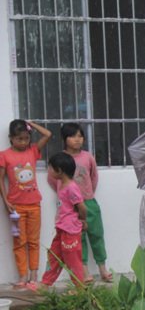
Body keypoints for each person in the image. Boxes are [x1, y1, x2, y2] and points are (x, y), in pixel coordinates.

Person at [47, 123, 113, 283]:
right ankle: (83, 271)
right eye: (73, 136)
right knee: (78, 239)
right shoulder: (60, 159)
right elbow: (52, 179)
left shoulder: (88, 157)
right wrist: (67, 197)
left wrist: (86, 195)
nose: (77, 139)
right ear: (64, 139)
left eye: (80, 136)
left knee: (97, 234)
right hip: (70, 208)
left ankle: (103, 268)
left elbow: (94, 177)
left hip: (89, 202)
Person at [0, 120, 52, 289]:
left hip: (34, 204)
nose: (23, 142)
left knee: (33, 241)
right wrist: (6, 201)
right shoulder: (4, 155)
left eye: (26, 138)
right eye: (19, 139)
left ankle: (33, 275)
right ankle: (22, 275)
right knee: (19, 241)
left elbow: (48, 134)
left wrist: (31, 124)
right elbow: (0, 179)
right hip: (15, 207)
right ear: (11, 138)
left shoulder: (33, 151)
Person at [40, 152, 87, 288]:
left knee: (73, 260)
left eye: (50, 168)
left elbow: (82, 207)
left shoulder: (72, 188)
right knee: (53, 256)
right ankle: (45, 283)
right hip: (61, 228)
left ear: (59, 171)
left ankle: (80, 288)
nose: (48, 170)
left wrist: (83, 220)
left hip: (70, 230)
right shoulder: (62, 183)